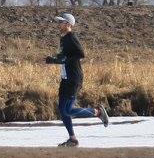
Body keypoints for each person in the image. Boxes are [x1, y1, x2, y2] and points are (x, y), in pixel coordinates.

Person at [45, 12, 109, 147]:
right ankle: (72, 139)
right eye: (59, 22)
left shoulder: (71, 37)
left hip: (74, 78)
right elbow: (64, 58)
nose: (59, 24)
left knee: (68, 110)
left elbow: (81, 54)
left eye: (61, 22)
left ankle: (97, 112)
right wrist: (54, 60)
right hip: (65, 77)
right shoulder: (63, 39)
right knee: (62, 110)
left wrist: (64, 59)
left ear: (68, 24)